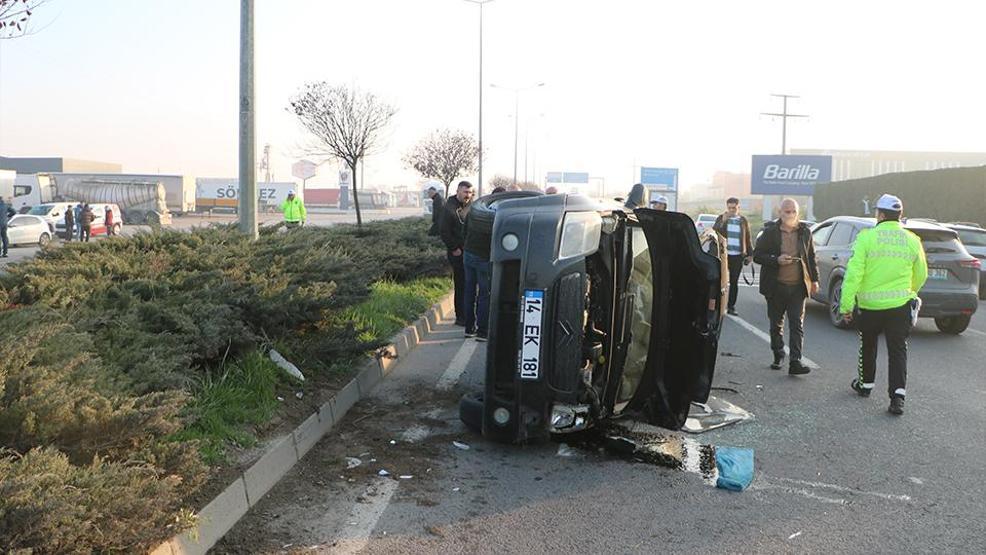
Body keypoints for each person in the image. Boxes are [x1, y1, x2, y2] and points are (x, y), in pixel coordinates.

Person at [839, 194, 927, 416]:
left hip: (870, 307)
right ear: (900, 215)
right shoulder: (912, 239)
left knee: (868, 345)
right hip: (899, 305)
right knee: (897, 351)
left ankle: (865, 385)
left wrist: (846, 306)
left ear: (880, 214)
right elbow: (921, 274)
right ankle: (897, 398)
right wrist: (911, 291)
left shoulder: (866, 238)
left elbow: (853, 275)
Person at [753, 198, 820, 375]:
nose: (790, 215)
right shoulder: (770, 232)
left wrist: (814, 280)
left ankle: (795, 361)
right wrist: (776, 260)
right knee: (776, 324)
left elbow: (811, 257)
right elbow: (757, 255)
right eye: (787, 211)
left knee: (797, 324)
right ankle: (778, 353)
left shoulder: (805, 232)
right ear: (780, 212)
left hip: (798, 287)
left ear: (798, 213)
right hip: (776, 286)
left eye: (793, 212)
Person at [439, 181, 475, 326]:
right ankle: (461, 317)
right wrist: (454, 248)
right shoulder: (449, 208)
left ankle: (468, 315)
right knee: (461, 284)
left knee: (469, 284)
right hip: (457, 252)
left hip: (470, 251)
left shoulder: (471, 206)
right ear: (458, 191)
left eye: (470, 192)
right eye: (465, 192)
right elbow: (444, 231)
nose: (468, 195)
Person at [713, 197, 754, 315]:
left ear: (738, 208)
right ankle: (718, 305)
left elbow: (747, 237)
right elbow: (715, 233)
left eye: (734, 208)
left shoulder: (743, 220)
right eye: (729, 208)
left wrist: (750, 254)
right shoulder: (721, 218)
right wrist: (723, 222)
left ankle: (731, 306)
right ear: (727, 207)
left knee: (734, 281)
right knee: (720, 281)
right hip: (724, 255)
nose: (732, 210)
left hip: (738, 256)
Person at [462, 200, 493, 341]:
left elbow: (464, 231)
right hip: (484, 257)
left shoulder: (475, 212)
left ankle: (469, 328)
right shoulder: (497, 216)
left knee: (469, 291)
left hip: (469, 254)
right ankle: (482, 331)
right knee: (484, 295)